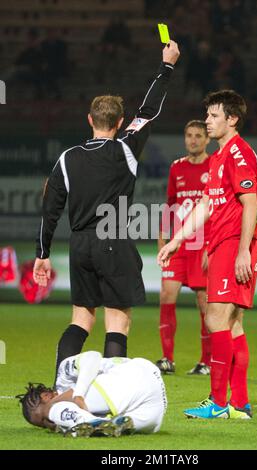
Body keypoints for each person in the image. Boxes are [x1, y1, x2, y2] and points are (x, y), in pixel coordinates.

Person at [32, 41, 180, 383]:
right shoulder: (126, 148)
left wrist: (43, 254)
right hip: (113, 241)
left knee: (80, 320)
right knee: (118, 322)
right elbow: (150, 111)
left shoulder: (67, 158)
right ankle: (109, 397)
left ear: (90, 120)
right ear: (120, 122)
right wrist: (167, 66)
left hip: (80, 244)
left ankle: (61, 388)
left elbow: (50, 209)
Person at [158, 90, 257, 419]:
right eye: (207, 115)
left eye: (214, 116)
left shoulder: (240, 154)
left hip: (234, 242)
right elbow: (205, 205)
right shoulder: (219, 157)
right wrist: (176, 240)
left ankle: (218, 403)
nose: (208, 120)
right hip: (222, 243)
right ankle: (239, 404)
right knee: (232, 325)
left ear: (232, 120)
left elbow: (250, 204)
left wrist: (243, 250)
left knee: (216, 318)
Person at [156, 120, 211, 375]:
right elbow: (169, 204)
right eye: (189, 135)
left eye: (199, 136)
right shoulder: (176, 167)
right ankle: (167, 359)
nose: (193, 140)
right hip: (178, 244)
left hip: (203, 245)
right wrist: (162, 239)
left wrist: (213, 247)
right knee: (166, 296)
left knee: (204, 303)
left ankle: (206, 362)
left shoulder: (216, 166)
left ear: (207, 139)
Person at [16, 351, 167, 436]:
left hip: (133, 374)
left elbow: (93, 356)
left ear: (46, 396)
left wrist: (79, 394)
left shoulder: (64, 375)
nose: (49, 423)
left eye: (43, 419)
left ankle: (86, 421)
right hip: (154, 406)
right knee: (119, 424)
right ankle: (104, 424)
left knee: (54, 407)